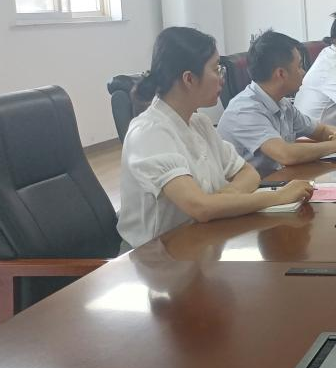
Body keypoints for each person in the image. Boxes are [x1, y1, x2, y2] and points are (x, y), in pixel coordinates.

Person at [118, 26, 313, 248]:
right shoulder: (150, 132)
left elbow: (248, 172)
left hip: (200, 241)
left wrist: (225, 197)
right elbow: (200, 207)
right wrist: (279, 196)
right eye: (216, 69)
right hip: (154, 256)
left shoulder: (199, 123)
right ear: (189, 79)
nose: (222, 78)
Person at [217, 29, 336, 176]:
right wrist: (335, 145)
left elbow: (321, 131)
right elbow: (286, 154)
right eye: (299, 66)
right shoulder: (244, 110)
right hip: (251, 188)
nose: (303, 72)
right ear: (281, 73)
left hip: (278, 180)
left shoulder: (282, 103)